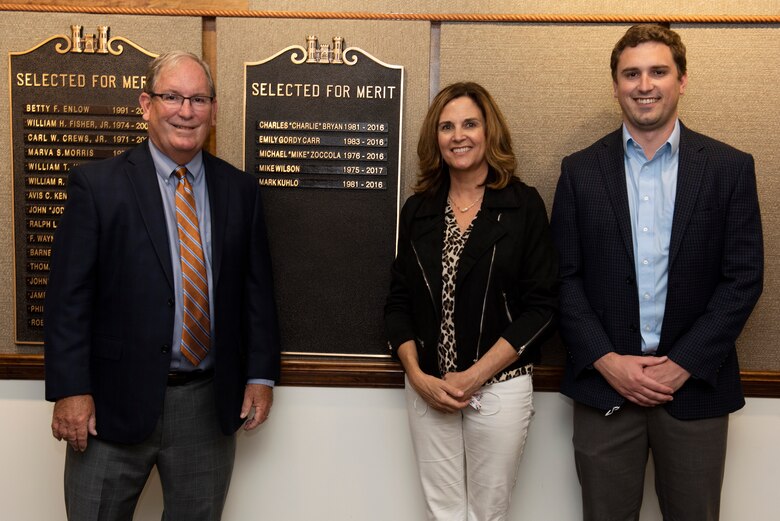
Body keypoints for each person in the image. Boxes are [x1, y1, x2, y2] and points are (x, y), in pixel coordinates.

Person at [44, 50, 281, 520]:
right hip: (109, 406)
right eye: (172, 96)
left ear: (214, 110)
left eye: (198, 99)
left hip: (206, 404)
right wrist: (70, 390)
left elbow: (257, 292)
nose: (186, 111)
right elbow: (68, 298)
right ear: (146, 105)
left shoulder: (240, 190)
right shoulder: (97, 186)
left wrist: (260, 375)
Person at [550, 24, 763, 521]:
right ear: (616, 85)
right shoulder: (580, 170)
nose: (644, 84)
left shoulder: (729, 167)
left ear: (682, 80)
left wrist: (682, 362)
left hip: (695, 390)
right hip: (605, 391)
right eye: (631, 73)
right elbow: (562, 279)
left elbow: (744, 277)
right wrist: (607, 360)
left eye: (658, 71)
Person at [385, 82, 558, 520]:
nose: (458, 135)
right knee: (441, 512)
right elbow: (398, 301)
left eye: (469, 124)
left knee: (488, 513)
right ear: (435, 138)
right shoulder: (418, 209)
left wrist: (474, 376)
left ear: (488, 132)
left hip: (498, 386)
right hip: (428, 388)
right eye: (446, 126)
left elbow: (542, 306)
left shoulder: (522, 205)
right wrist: (418, 376)